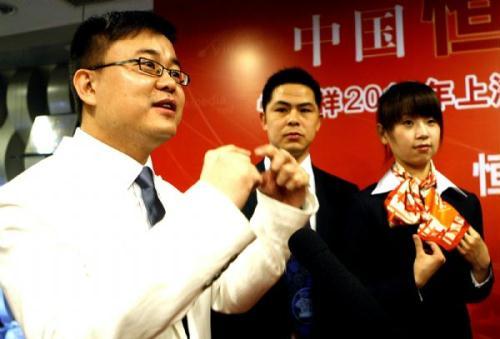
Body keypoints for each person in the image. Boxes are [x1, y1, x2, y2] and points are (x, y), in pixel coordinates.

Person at [0, 11, 319, 339]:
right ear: (88, 85)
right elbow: (73, 331)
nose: (169, 82)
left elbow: (227, 294)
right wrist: (213, 203)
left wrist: (278, 217)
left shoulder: (169, 197)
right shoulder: (24, 201)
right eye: (146, 65)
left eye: (176, 72)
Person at [211, 67, 358, 339]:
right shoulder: (232, 190)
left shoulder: (348, 196)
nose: (293, 119)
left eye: (304, 110)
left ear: (319, 120)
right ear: (263, 118)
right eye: (281, 109)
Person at [343, 81, 494, 339]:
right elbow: (354, 297)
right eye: (408, 123)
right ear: (383, 133)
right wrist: (412, 280)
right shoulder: (364, 205)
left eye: (431, 121)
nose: (423, 133)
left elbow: (473, 294)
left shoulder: (464, 201)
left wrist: (482, 266)